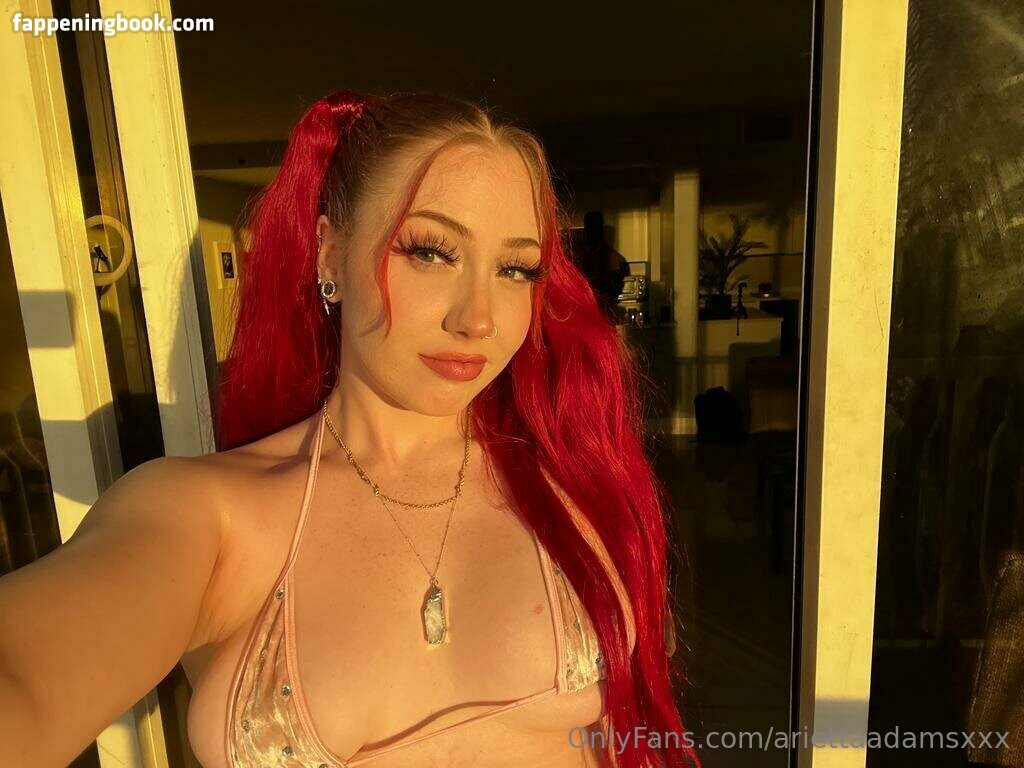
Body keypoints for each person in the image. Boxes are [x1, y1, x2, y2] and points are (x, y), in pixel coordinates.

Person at [0, 91, 700, 768]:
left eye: (516, 269)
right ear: (329, 253)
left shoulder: (574, 485)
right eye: (430, 251)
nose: (479, 319)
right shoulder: (207, 517)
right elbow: (25, 678)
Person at [579, 211, 631, 321]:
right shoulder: (578, 257)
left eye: (596, 228)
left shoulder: (616, 260)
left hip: (604, 314)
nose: (593, 232)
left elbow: (614, 293)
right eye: (590, 228)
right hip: (584, 314)